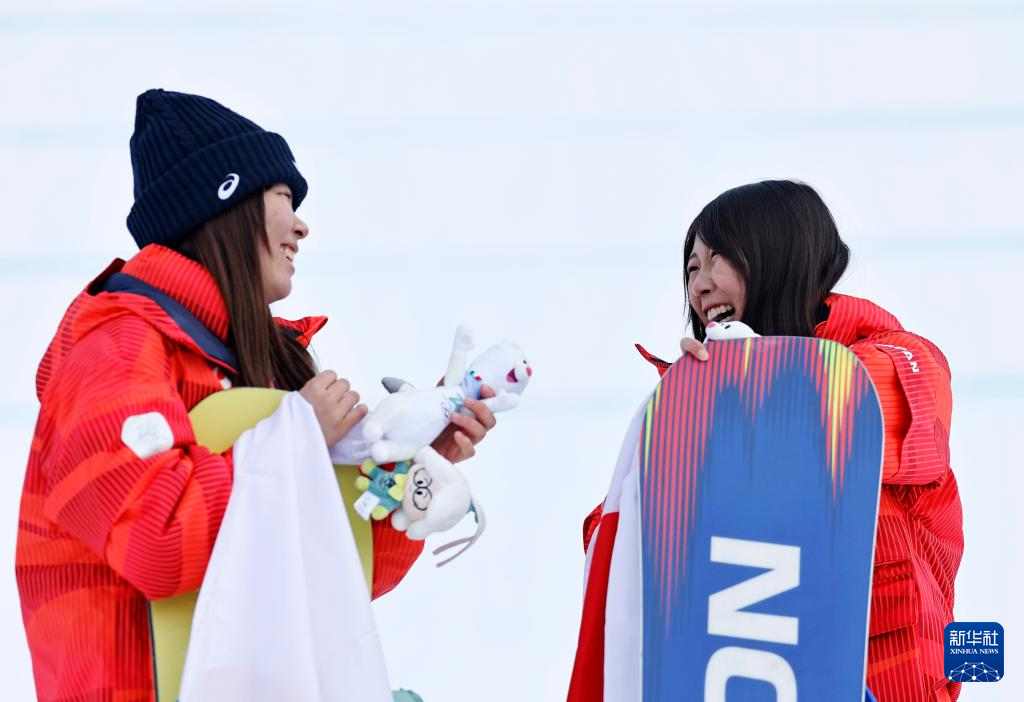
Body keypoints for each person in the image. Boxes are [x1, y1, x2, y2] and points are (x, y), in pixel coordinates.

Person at [15, 89, 496, 702]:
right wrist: (295, 440)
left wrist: (414, 464)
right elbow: (157, 544)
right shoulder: (115, 349)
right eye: (283, 198)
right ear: (226, 202)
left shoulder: (261, 364)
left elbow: (333, 577)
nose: (301, 224)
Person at [571, 180, 962, 702]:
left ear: (780, 255)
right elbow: (621, 550)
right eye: (691, 268)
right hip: (742, 673)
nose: (699, 286)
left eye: (718, 260)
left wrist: (745, 384)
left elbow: (863, 417)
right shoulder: (687, 407)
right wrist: (688, 415)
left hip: (883, 678)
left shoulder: (898, 361)